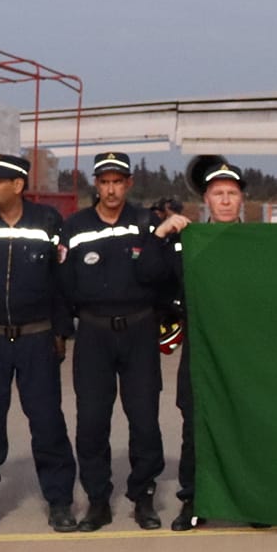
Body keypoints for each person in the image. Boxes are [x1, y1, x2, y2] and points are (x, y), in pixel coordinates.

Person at [0, 152, 78, 532]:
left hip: (36, 339)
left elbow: (61, 283)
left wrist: (60, 333)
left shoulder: (47, 222)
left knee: (47, 423)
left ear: (18, 185)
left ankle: (59, 502)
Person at [61, 151, 174, 531]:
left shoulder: (146, 222)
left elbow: (161, 277)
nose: (111, 189)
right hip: (93, 333)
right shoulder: (74, 226)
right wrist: (62, 333)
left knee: (144, 420)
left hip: (139, 331)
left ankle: (143, 497)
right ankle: (97, 500)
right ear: (97, 184)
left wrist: (159, 236)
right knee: (92, 421)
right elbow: (60, 285)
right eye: (104, 182)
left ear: (129, 184)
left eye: (118, 181)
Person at [156, 159, 249, 530]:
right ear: (206, 200)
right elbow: (155, 278)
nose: (225, 201)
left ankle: (250, 500)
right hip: (202, 349)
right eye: (218, 194)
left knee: (246, 425)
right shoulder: (188, 243)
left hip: (244, 352)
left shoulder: (259, 244)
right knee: (196, 427)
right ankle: (192, 500)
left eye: (232, 193)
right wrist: (160, 236)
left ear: (241, 199)